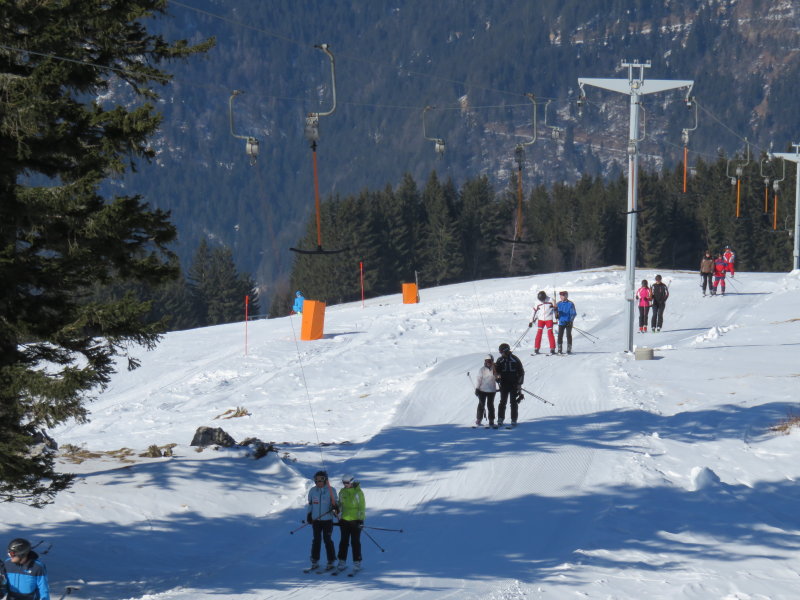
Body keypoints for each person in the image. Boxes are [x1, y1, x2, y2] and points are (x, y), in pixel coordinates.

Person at [306, 470, 338, 572]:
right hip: (316, 520)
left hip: (327, 520)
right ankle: (315, 561)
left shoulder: (331, 490)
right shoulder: (312, 491)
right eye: (316, 480)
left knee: (327, 539)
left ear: (325, 480)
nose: (318, 482)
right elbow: (310, 504)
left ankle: (331, 561)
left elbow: (336, 504)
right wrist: (309, 515)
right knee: (316, 540)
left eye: (321, 480)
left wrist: (334, 508)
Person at [336, 474, 365, 572]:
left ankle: (357, 562)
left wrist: (360, 520)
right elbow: (340, 505)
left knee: (355, 542)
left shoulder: (358, 492)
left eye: (347, 483)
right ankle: (342, 561)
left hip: (355, 521)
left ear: (351, 482)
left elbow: (362, 507)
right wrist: (336, 508)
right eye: (343, 483)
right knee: (343, 541)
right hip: (344, 520)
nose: (345, 484)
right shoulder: (342, 492)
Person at [494, 343, 525, 427]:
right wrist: (497, 377)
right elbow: (497, 372)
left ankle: (514, 419)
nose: (501, 354)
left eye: (501, 352)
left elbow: (521, 372)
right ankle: (500, 418)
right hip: (504, 384)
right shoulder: (500, 360)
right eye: (500, 352)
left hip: (514, 384)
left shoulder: (515, 359)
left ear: (506, 351)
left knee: (513, 402)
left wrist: (519, 384)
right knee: (502, 402)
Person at [529, 291, 556, 355]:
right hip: (541, 320)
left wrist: (556, 316)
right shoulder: (537, 302)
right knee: (539, 333)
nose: (542, 301)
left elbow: (555, 309)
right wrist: (531, 321)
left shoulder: (551, 300)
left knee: (550, 333)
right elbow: (533, 312)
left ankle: (552, 348)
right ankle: (536, 348)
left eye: (543, 300)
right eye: (541, 300)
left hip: (549, 319)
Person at [474, 355, 497, 427]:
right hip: (482, 390)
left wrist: (498, 376)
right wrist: (477, 388)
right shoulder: (482, 369)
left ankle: (491, 420)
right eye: (486, 361)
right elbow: (479, 379)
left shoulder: (495, 369)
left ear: (492, 361)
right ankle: (479, 419)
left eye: (489, 361)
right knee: (481, 404)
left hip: (491, 390)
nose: (488, 363)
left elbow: (498, 377)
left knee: (490, 405)